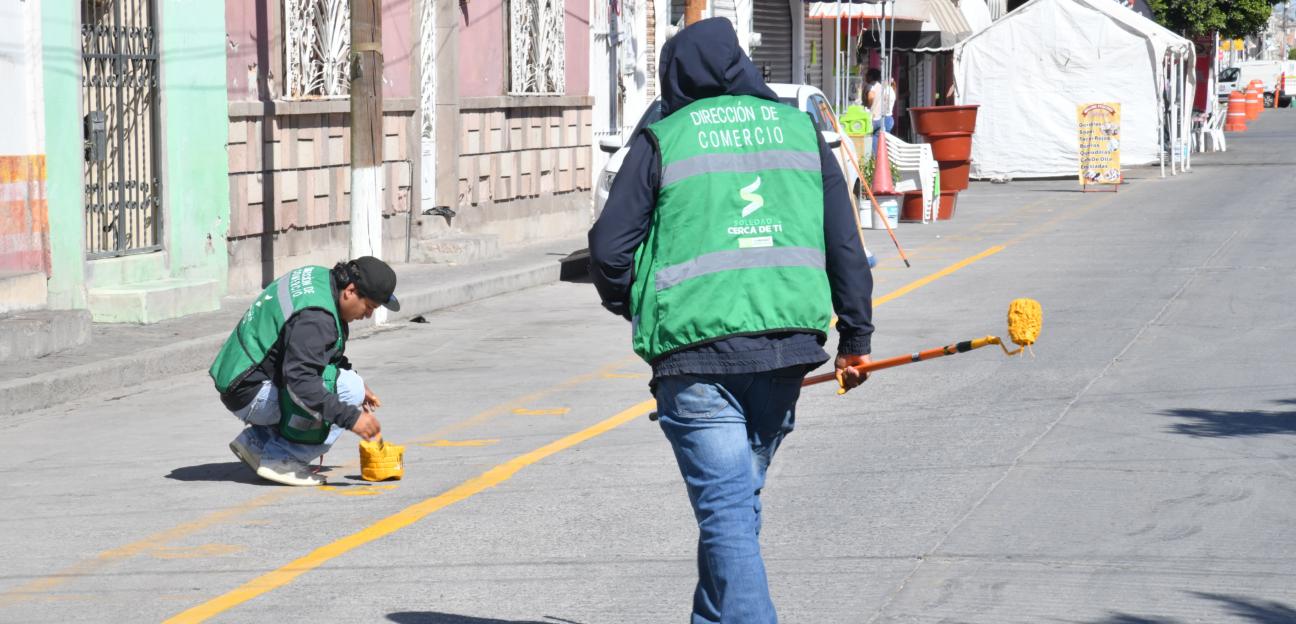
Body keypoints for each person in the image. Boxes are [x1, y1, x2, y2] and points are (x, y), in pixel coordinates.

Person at [587, 18, 874, 624]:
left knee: (725, 513)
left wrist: (633, 303)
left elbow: (609, 250)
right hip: (787, 353)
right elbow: (844, 242)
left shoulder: (664, 137)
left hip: (696, 357)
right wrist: (856, 338)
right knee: (735, 509)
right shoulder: (800, 131)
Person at [208, 257, 400, 486]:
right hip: (252, 393)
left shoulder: (320, 279)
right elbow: (300, 383)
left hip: (241, 379)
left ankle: (258, 442)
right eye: (369, 307)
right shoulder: (317, 318)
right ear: (350, 291)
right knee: (348, 390)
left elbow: (316, 352)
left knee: (350, 383)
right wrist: (351, 417)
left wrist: (354, 376)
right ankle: (282, 459)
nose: (367, 315)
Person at [866, 68, 897, 154]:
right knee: (884, 144)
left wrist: (868, 106)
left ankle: (875, 163)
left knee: (875, 144)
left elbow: (871, 97)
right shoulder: (891, 90)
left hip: (879, 118)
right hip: (889, 118)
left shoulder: (877, 87)